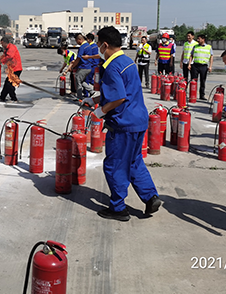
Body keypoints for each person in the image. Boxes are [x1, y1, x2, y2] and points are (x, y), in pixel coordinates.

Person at [82, 26, 161, 221]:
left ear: (105, 44)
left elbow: (118, 98)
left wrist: (100, 112)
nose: (98, 47)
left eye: (99, 44)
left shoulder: (110, 66)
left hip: (123, 124)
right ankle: (150, 197)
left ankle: (118, 208)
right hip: (138, 120)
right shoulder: (127, 61)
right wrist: (94, 100)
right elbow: (118, 92)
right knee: (133, 161)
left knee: (115, 165)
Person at [0, 36, 22, 102]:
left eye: (2, 44)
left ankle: (14, 99)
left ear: (4, 43)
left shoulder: (11, 48)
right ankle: (2, 97)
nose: (1, 45)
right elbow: (3, 57)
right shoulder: (7, 49)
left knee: (9, 85)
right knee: (6, 84)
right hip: (12, 69)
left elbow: (8, 57)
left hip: (16, 69)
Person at [67, 33, 93, 99]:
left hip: (83, 67)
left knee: (77, 81)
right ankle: (91, 91)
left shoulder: (82, 47)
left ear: (80, 39)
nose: (76, 42)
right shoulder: (88, 45)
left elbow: (78, 58)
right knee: (81, 81)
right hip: (89, 67)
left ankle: (79, 97)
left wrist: (72, 67)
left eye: (76, 41)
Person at [188, 33, 213, 100]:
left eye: (199, 39)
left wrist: (210, 66)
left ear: (203, 39)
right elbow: (191, 56)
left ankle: (202, 95)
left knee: (203, 81)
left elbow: (211, 57)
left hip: (204, 66)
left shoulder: (209, 47)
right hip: (195, 65)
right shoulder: (195, 46)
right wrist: (189, 64)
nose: (197, 40)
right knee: (194, 80)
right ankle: (193, 94)